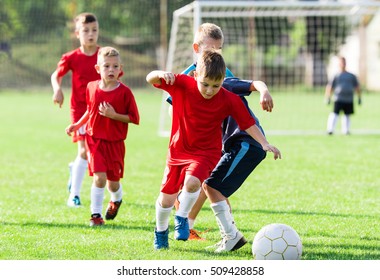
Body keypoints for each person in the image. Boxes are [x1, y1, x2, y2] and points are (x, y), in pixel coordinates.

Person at [146, 50, 281, 250]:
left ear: (222, 81)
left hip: (205, 153)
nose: (210, 90)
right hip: (177, 151)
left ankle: (182, 217)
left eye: (216, 86)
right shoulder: (182, 84)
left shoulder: (229, 98)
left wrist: (264, 143)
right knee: (166, 200)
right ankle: (161, 232)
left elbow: (248, 123)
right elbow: (150, 79)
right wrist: (160, 73)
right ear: (195, 76)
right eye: (205, 84)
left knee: (193, 183)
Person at [168, 23, 274, 241]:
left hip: (231, 139)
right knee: (209, 184)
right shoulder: (188, 78)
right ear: (196, 49)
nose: (215, 55)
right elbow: (176, 109)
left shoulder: (223, 75)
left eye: (219, 50)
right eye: (210, 50)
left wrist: (263, 90)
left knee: (210, 184)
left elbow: (245, 91)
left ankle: (215, 231)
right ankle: (212, 230)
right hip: (205, 140)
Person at [65, 47, 140, 226]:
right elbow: (90, 111)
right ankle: (96, 215)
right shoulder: (91, 87)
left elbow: (134, 118)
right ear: (98, 68)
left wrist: (114, 115)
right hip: (94, 140)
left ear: (120, 68)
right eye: (106, 66)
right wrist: (77, 125)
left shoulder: (125, 92)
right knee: (99, 178)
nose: (111, 70)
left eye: (115, 66)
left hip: (115, 143)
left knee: (112, 183)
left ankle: (116, 199)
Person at [51, 13, 100, 207]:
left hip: (99, 111)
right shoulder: (71, 57)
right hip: (79, 111)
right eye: (86, 30)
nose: (90, 34)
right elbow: (56, 75)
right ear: (77, 33)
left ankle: (75, 171)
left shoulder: (104, 55)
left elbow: (115, 78)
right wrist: (57, 90)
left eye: (94, 30)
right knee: (84, 152)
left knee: (94, 152)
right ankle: (75, 195)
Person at [325, 56, 362, 135]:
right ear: (339, 64)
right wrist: (328, 97)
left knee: (347, 114)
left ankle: (346, 130)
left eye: (344, 63)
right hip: (338, 98)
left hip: (349, 98)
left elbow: (357, 87)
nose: (343, 64)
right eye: (341, 63)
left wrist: (359, 98)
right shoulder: (336, 75)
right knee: (335, 113)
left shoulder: (351, 76)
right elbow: (330, 87)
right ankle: (330, 130)